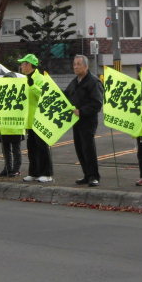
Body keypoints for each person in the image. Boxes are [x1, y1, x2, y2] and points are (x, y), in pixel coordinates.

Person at [64, 54, 104, 187]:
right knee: (79, 148)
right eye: (74, 64)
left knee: (88, 148)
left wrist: (81, 111)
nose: (75, 67)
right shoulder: (75, 81)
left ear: (86, 66)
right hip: (76, 121)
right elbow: (66, 95)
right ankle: (86, 175)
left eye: (78, 64)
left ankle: (94, 176)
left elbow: (97, 103)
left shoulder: (93, 82)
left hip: (88, 120)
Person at [18, 54, 53, 183]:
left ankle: (47, 174)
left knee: (42, 147)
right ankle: (34, 173)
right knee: (32, 147)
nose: (21, 66)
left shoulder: (40, 78)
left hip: (40, 119)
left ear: (29, 65)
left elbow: (45, 96)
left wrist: (32, 86)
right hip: (29, 119)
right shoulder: (25, 78)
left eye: (23, 63)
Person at [0, 72, 24, 178]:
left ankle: (16, 169)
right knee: (5, 150)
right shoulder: (0, 93)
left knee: (16, 150)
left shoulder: (20, 93)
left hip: (16, 127)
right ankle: (7, 168)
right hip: (4, 127)